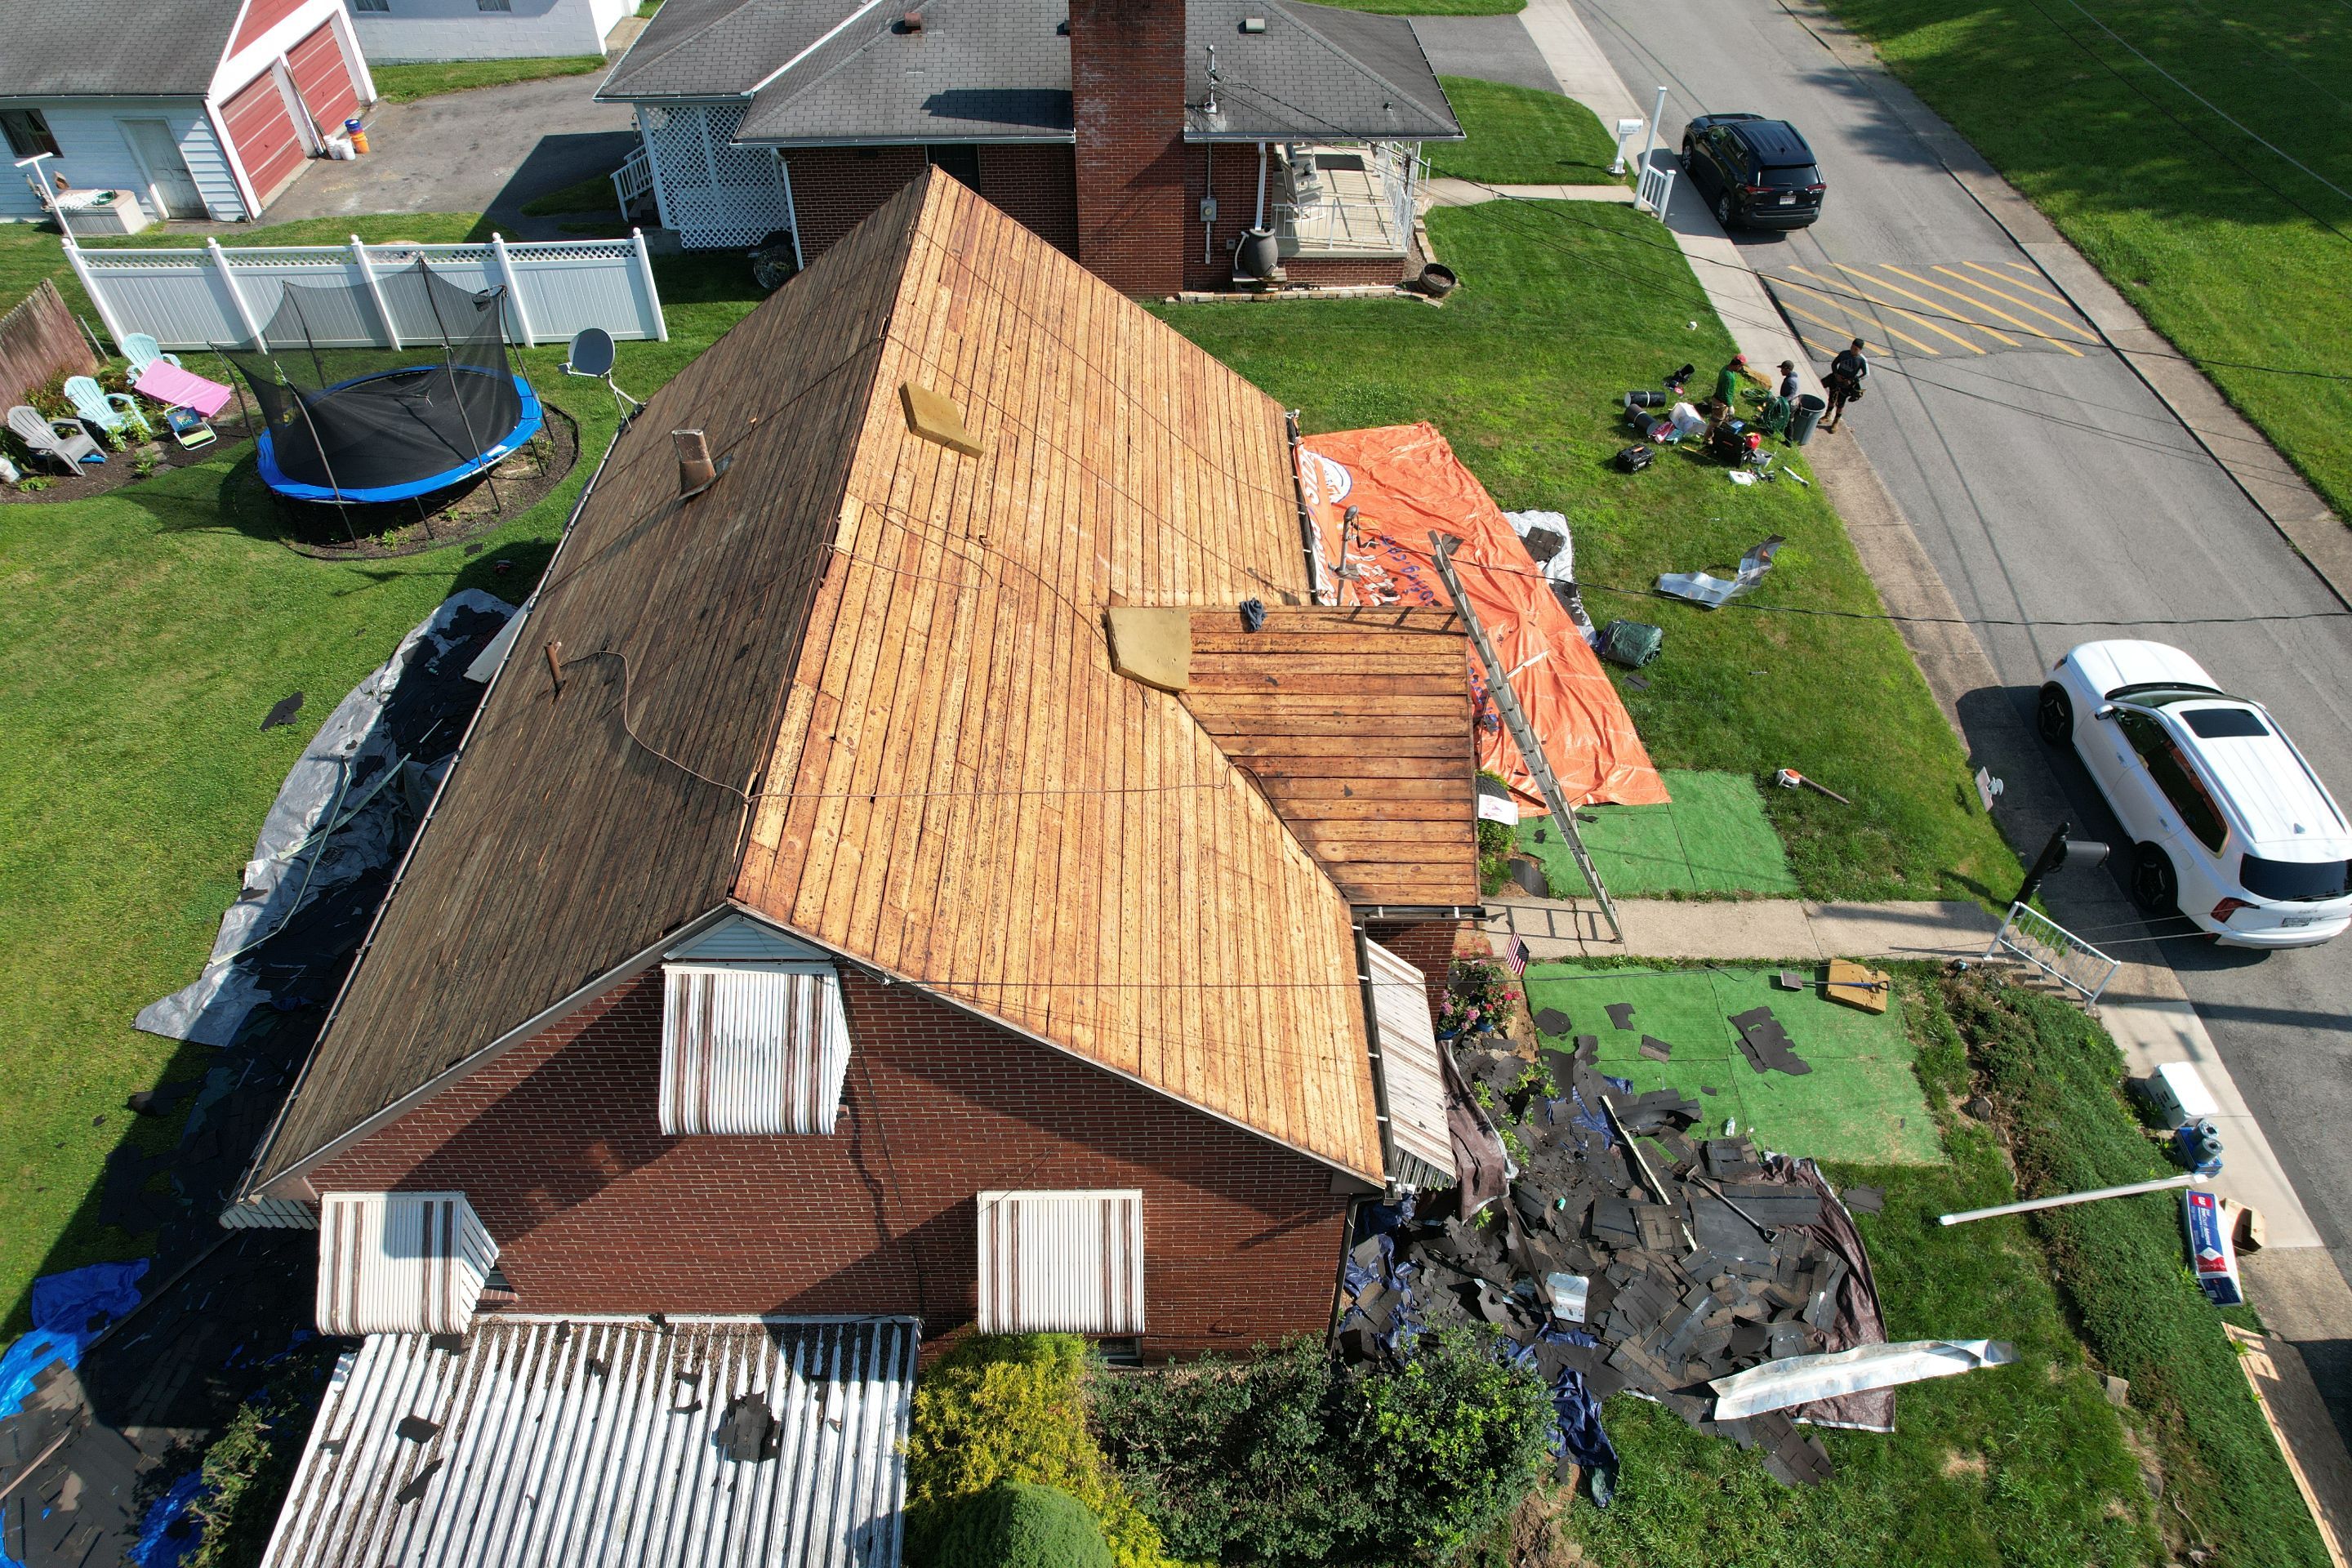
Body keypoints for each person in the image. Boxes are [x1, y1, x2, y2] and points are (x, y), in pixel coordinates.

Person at [1824, 339, 1869, 430]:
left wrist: (1852, 381)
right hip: (1836, 381)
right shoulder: (1844, 354)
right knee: (1831, 399)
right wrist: (1836, 374)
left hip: (1846, 386)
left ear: (1860, 350)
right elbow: (1834, 364)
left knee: (1840, 404)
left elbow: (1865, 374)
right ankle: (1827, 416)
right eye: (1852, 347)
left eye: (1856, 349)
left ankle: (1835, 422)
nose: (1853, 350)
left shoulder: (1861, 360)